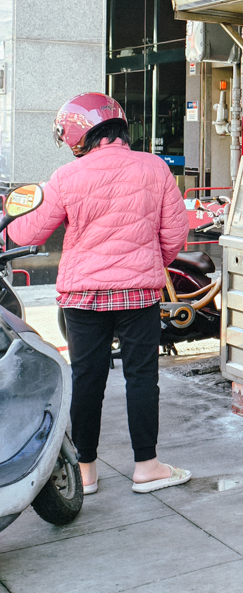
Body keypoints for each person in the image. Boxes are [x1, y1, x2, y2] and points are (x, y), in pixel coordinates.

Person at [8, 94, 191, 496]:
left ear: (78, 135)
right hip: (139, 294)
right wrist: (143, 261)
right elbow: (176, 236)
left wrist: (9, 216)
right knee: (142, 378)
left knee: (86, 380)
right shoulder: (155, 167)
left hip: (82, 296)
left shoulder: (66, 176)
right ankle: (147, 466)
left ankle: (86, 472)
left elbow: (28, 232)